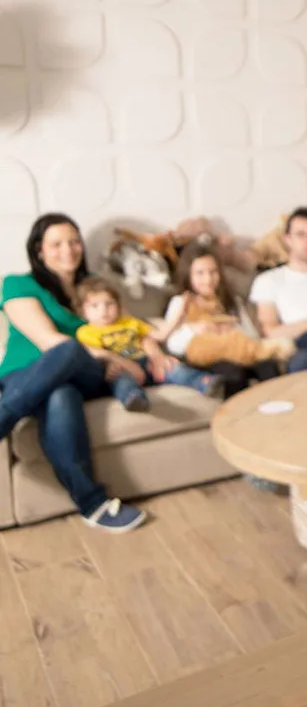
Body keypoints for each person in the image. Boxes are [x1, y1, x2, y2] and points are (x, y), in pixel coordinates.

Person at [0, 213, 146, 531]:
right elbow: (47, 341)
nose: (68, 250)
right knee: (60, 391)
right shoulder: (17, 284)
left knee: (71, 354)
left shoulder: (95, 287)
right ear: (39, 251)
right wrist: (107, 354)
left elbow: (129, 329)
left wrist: (147, 354)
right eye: (57, 244)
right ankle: (93, 505)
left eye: (74, 241)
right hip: (24, 376)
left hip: (86, 375)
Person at [75, 276, 222, 411]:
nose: (103, 310)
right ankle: (134, 398)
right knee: (121, 381)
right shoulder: (85, 332)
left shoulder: (130, 322)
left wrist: (178, 316)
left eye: (109, 304)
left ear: (118, 305)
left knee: (173, 368)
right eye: (95, 306)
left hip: (147, 361)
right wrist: (111, 364)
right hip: (120, 367)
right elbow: (96, 354)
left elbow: (159, 335)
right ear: (83, 311)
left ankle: (204, 382)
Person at [162, 244, 283, 399]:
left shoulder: (231, 301)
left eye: (213, 272)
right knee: (234, 374)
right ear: (189, 275)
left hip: (237, 351)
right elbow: (173, 345)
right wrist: (194, 330)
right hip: (206, 357)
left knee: (269, 366)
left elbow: (252, 336)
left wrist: (232, 329)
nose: (208, 279)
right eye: (200, 273)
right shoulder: (180, 302)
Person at [250, 206, 307, 373]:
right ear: (287, 239)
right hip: (306, 342)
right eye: (301, 235)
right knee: (301, 363)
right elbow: (270, 332)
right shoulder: (269, 280)